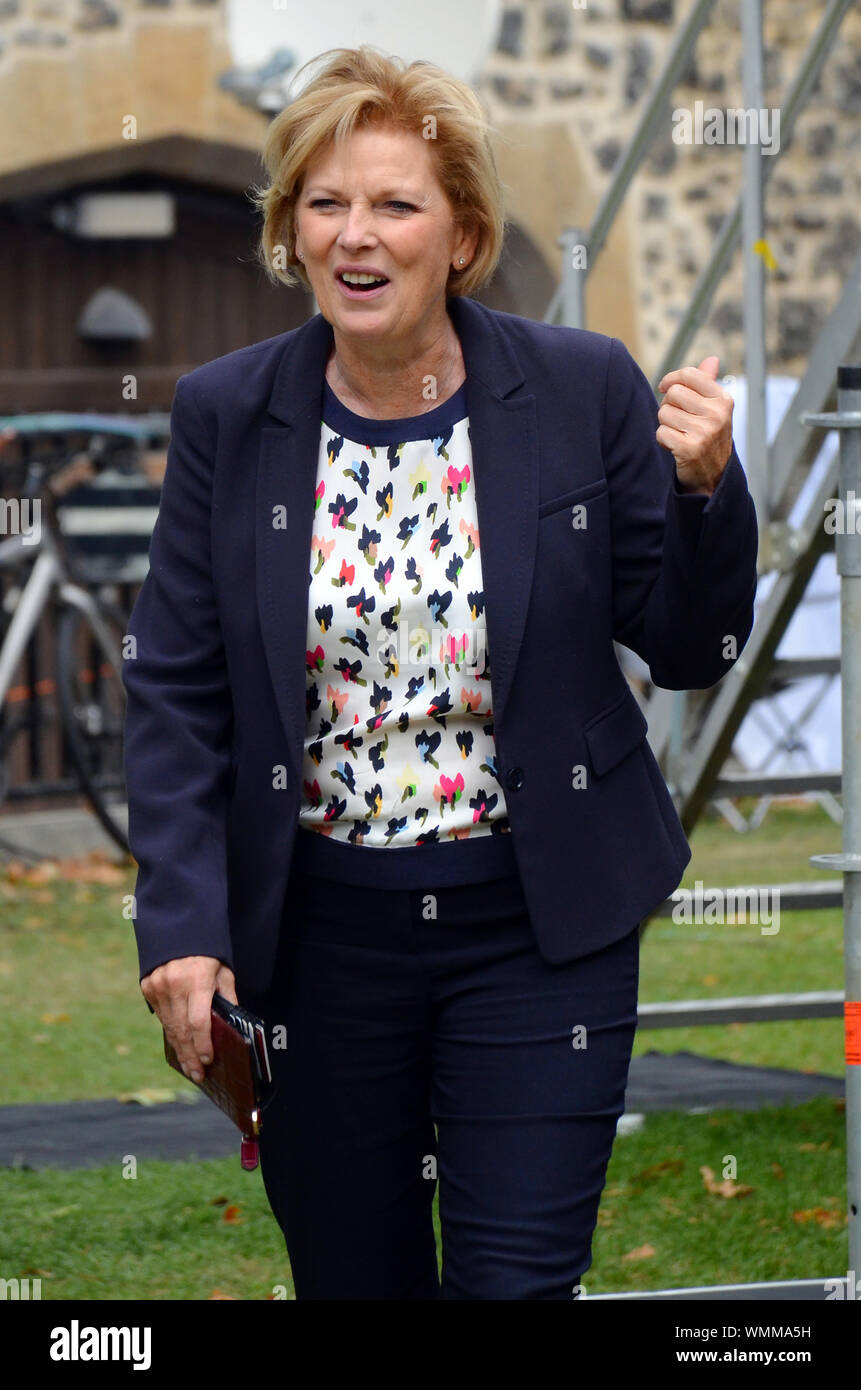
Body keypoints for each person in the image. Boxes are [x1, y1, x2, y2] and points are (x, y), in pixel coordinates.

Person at [122, 45, 758, 1300]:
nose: (357, 234)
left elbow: (688, 644)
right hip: (315, 945)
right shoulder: (224, 414)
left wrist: (705, 494)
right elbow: (178, 687)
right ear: (290, 228)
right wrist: (185, 922)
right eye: (326, 201)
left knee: (517, 1286)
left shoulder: (581, 390)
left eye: (396, 204)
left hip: (540, 927)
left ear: (460, 235)